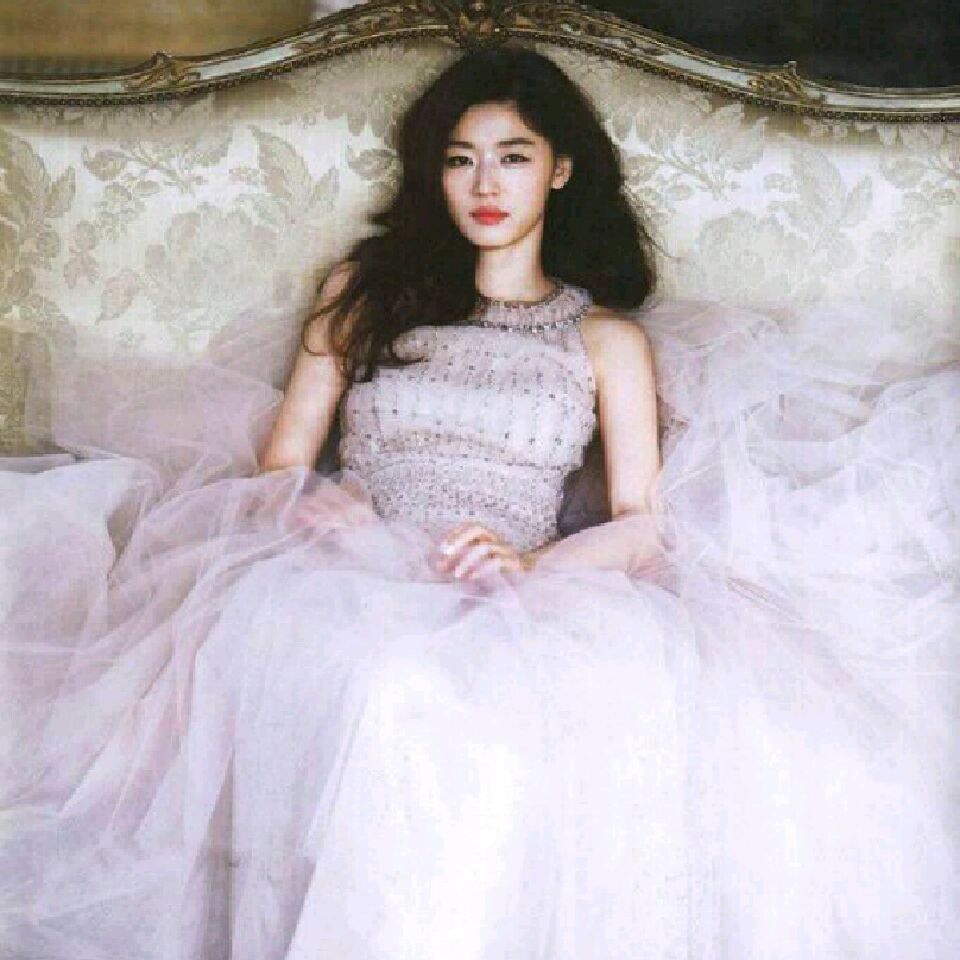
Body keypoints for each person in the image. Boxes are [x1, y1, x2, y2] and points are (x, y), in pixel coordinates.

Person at [1, 44, 957, 960]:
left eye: (513, 157)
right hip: (346, 574)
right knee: (385, 683)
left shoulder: (606, 340)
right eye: (460, 160)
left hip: (516, 591)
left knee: (469, 711)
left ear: (560, 170)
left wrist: (530, 564)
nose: (485, 184)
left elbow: (642, 524)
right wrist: (320, 507)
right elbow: (282, 460)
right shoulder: (363, 293)